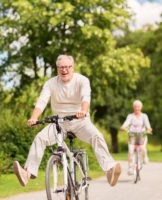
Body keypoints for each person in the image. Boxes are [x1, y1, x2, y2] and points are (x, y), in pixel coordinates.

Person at [13, 54, 121, 187]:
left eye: (67, 67)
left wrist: (83, 110)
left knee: (97, 136)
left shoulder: (82, 80)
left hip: (80, 121)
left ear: (72, 67)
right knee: (40, 138)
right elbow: (41, 101)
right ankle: (27, 173)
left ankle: (109, 170)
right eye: (60, 67)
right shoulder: (50, 83)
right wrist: (34, 117)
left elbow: (85, 98)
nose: (64, 70)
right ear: (57, 68)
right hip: (59, 123)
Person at [120, 100, 152, 175]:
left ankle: (144, 157)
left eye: (138, 107)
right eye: (135, 107)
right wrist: (123, 127)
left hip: (142, 135)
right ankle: (130, 168)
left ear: (141, 107)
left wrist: (149, 129)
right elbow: (126, 123)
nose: (137, 108)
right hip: (132, 136)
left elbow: (148, 125)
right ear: (133, 108)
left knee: (143, 148)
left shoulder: (144, 116)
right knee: (130, 151)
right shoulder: (130, 116)